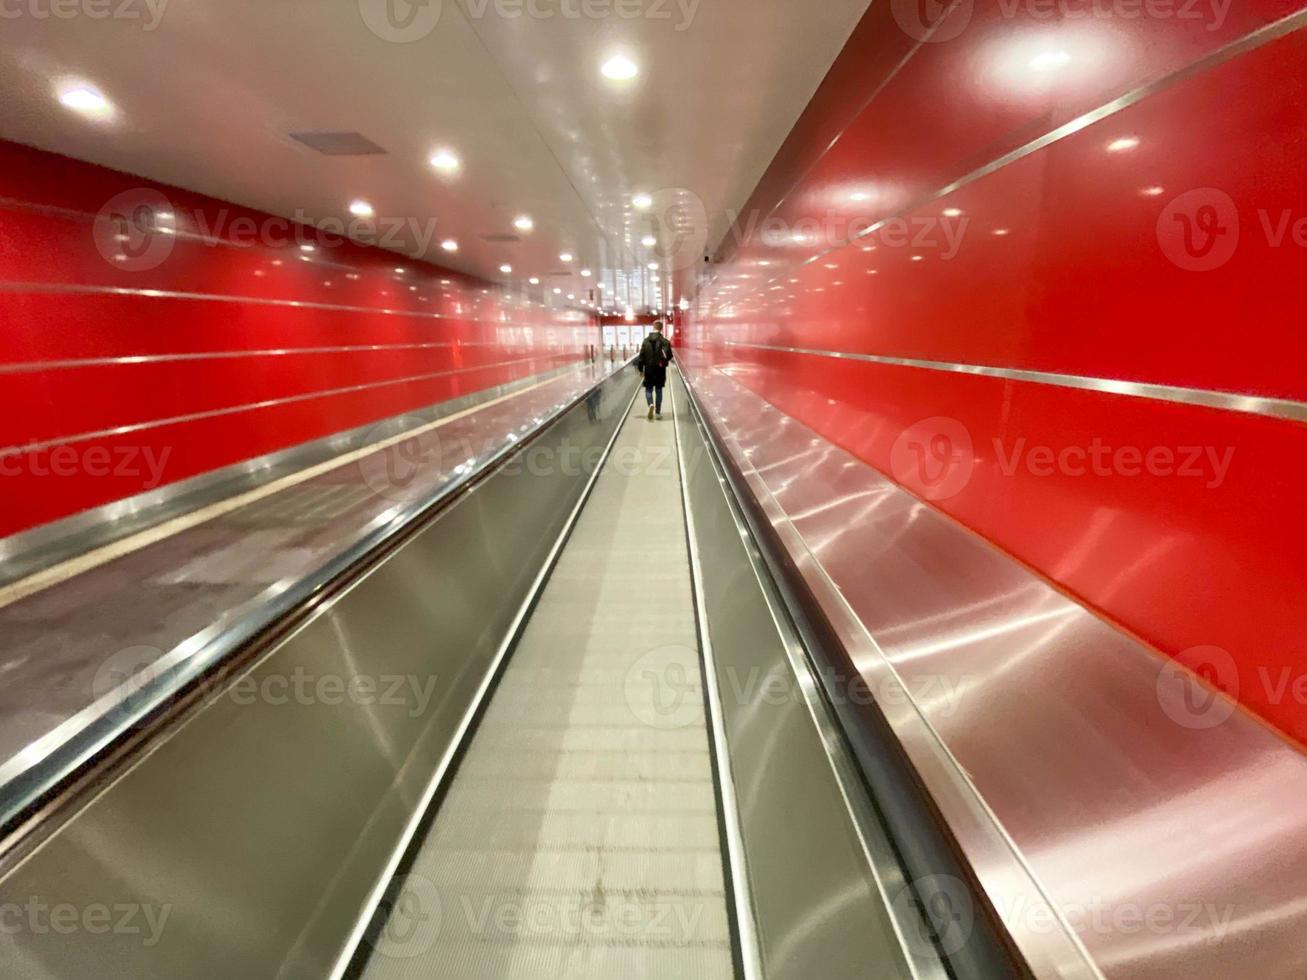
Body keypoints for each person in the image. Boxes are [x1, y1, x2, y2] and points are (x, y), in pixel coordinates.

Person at [637, 321, 673, 420]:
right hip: (660, 370)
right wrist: (663, 361)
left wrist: (641, 369)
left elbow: (641, 358)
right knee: (659, 390)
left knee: (648, 389)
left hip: (648, 370)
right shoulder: (665, 341)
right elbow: (669, 356)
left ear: (653, 327)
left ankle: (650, 404)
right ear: (661, 329)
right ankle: (657, 412)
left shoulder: (645, 341)